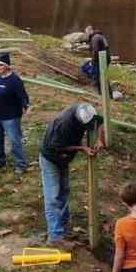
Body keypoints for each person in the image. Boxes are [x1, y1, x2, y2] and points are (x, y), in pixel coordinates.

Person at [38, 102, 105, 246]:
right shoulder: (64, 124)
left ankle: (64, 227)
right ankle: (55, 237)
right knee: (53, 197)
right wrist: (82, 148)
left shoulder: (88, 112)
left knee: (64, 191)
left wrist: (100, 139)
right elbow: (58, 146)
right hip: (51, 158)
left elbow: (100, 122)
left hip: (64, 159)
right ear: (79, 120)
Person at [0, 52, 30, 174]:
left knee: (14, 140)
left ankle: (21, 164)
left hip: (10, 116)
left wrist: (24, 106)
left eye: (1, 65)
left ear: (7, 66)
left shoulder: (15, 81)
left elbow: (23, 96)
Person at [84, 24, 109, 93]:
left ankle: (101, 92)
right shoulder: (99, 36)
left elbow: (95, 50)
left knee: (99, 76)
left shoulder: (95, 38)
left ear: (89, 31)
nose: (86, 35)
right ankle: (105, 91)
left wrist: (93, 61)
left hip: (101, 59)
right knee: (102, 76)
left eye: (86, 33)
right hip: (105, 57)